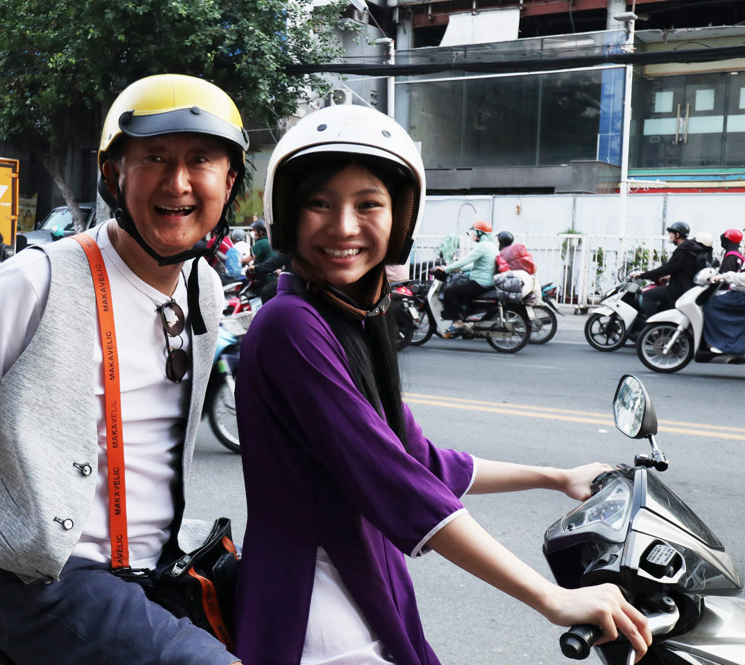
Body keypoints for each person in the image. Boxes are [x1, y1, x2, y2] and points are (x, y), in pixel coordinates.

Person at [233, 104, 651, 665]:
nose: (344, 226)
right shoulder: (290, 325)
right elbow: (396, 481)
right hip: (314, 608)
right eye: (319, 203)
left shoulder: (352, 317)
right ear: (287, 215)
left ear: (400, 219)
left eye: (368, 204)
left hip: (358, 580)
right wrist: (550, 598)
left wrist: (556, 478)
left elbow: (420, 458)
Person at [0, 74, 248, 665]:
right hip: (40, 578)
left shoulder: (205, 288)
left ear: (230, 181)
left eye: (201, 161)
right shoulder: (34, 280)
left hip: (158, 565)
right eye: (154, 158)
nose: (178, 182)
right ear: (114, 175)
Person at [433, 220, 498, 336]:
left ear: (480, 233)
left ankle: (457, 322)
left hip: (480, 282)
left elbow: (466, 260)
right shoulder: (491, 246)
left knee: (450, 292)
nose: (472, 235)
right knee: (462, 291)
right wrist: (461, 269)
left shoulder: (482, 246)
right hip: (488, 282)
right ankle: (467, 324)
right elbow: (477, 265)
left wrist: (446, 269)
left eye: (474, 232)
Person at [632, 222, 709, 317]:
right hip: (688, 287)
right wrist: (668, 277)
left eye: (670, 233)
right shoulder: (691, 249)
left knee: (647, 295)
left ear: (677, 235)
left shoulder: (683, 251)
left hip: (679, 289)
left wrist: (642, 275)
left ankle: (652, 324)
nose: (669, 236)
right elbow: (683, 270)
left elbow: (667, 268)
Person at [704, 268, 745, 355]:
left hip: (740, 296)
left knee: (710, 306)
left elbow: (742, 278)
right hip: (738, 293)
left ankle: (718, 342)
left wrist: (723, 276)